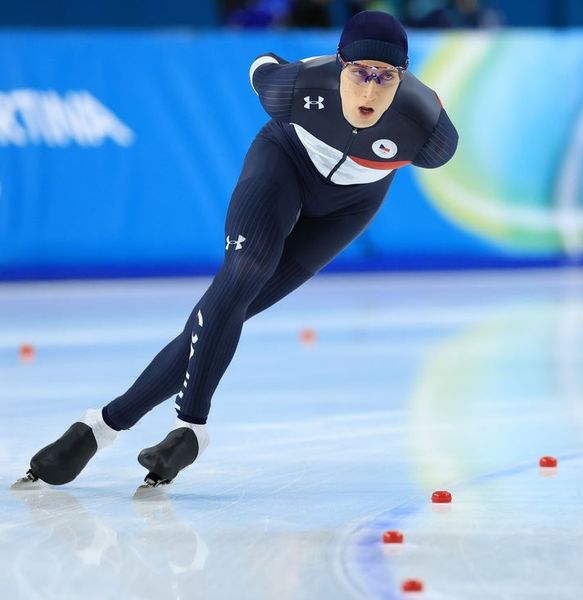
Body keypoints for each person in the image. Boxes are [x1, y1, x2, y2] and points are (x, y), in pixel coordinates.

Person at [16, 10, 458, 489]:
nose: (370, 90)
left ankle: (101, 426)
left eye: (385, 76)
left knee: (228, 311)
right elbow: (261, 64)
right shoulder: (296, 87)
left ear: (403, 76)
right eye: (359, 73)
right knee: (240, 275)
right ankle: (190, 428)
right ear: (338, 65)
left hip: (347, 209)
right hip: (283, 165)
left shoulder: (429, 132)